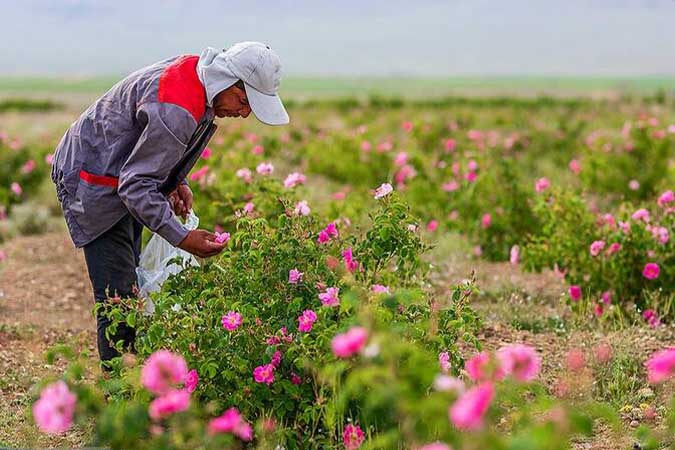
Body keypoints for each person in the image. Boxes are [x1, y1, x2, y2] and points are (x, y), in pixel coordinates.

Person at [50, 42, 289, 369]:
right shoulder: (177, 106)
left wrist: (176, 179)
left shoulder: (200, 78)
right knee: (117, 300)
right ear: (227, 81)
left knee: (128, 286)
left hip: (115, 174)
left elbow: (149, 149)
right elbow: (135, 184)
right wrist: (182, 237)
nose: (244, 113)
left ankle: (131, 383)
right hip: (94, 179)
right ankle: (119, 399)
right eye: (244, 101)